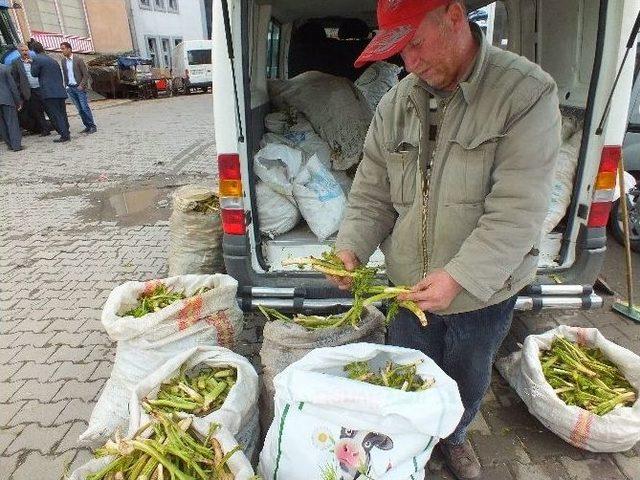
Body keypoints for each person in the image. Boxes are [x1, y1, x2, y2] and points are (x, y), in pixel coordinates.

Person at [330, 1, 561, 478]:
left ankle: (454, 437)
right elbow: (371, 189)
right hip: (407, 284)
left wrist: (459, 277)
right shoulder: (396, 103)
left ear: (454, 16)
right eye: (400, 51)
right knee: (412, 367)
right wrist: (351, 245)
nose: (409, 64)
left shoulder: (525, 93)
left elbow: (518, 210)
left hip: (484, 288)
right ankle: (414, 435)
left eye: (415, 43)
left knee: (467, 374)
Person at [30, 42, 70, 143]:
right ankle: (66, 131)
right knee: (62, 113)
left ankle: (64, 135)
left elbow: (34, 74)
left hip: (49, 92)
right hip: (59, 90)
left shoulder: (36, 59)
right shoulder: (52, 59)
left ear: (33, 50)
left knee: (55, 114)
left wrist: (31, 64)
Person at [11, 43, 50, 136]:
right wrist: (20, 92)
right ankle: (45, 129)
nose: (25, 52)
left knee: (48, 108)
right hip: (29, 91)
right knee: (37, 111)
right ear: (19, 52)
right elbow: (16, 79)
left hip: (41, 87)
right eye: (22, 51)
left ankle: (57, 127)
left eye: (26, 50)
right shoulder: (16, 63)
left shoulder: (35, 59)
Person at [60, 41, 96, 134]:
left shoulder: (78, 60)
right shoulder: (63, 61)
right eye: (61, 49)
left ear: (69, 49)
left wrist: (81, 85)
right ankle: (87, 126)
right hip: (71, 88)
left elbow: (85, 74)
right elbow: (65, 74)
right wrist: (66, 86)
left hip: (79, 88)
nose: (62, 51)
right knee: (79, 109)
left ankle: (92, 126)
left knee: (84, 108)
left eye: (63, 49)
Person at [0, 63, 23, 151]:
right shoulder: (4, 68)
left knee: (2, 125)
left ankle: (9, 144)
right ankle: (16, 145)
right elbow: (12, 86)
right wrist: (18, 101)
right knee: (12, 123)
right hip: (7, 99)